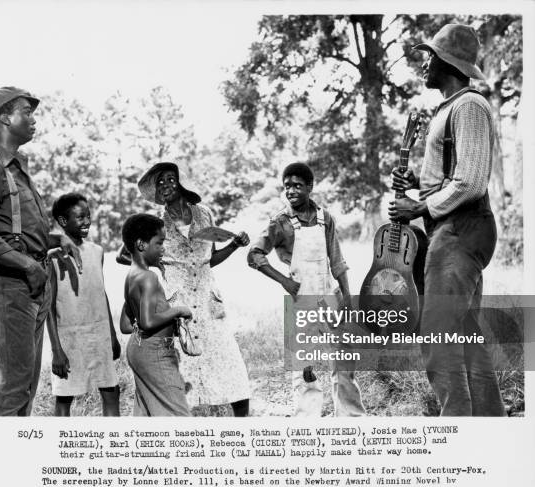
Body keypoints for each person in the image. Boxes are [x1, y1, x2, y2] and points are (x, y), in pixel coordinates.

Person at [389, 24, 505, 416]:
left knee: (437, 336)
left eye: (430, 56)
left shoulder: (469, 105)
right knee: (465, 338)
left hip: (461, 231)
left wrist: (420, 208)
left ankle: (456, 430)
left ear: (448, 62)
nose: (424, 64)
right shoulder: (450, 108)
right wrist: (415, 186)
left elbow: (470, 182)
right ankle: (490, 429)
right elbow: (450, 177)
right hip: (450, 230)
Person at [0, 86, 81, 416]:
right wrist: (28, 266)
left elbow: (18, 229)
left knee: (25, 387)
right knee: (13, 389)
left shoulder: (15, 166)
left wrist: (58, 240)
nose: (34, 119)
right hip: (11, 287)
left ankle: (10, 462)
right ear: (5, 117)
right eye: (26, 112)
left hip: (30, 285)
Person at [134, 162, 252, 416]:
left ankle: (243, 422)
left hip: (208, 298)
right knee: (184, 362)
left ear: (182, 183)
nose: (164, 185)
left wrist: (235, 245)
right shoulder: (155, 223)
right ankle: (185, 418)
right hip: (179, 301)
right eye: (159, 182)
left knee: (228, 358)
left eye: (169, 179)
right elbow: (130, 254)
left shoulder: (204, 214)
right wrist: (159, 267)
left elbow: (210, 258)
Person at [248, 162, 366, 417]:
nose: (290, 190)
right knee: (305, 367)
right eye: (287, 186)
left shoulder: (325, 219)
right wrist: (284, 281)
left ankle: (352, 419)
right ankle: (307, 423)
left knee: (344, 361)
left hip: (330, 297)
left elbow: (337, 261)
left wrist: (347, 297)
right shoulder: (280, 223)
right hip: (302, 301)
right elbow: (254, 255)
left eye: (297, 186)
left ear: (310, 188)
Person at [46, 193, 121, 416]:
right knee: (64, 397)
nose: (87, 221)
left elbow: (101, 293)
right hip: (69, 338)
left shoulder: (97, 252)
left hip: (99, 334)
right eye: (80, 217)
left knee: (111, 390)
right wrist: (56, 350)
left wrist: (113, 335)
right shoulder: (53, 257)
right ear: (62, 222)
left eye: (88, 215)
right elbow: (48, 307)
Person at [122, 213, 193, 416]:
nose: (163, 249)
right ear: (142, 245)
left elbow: (126, 325)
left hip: (138, 350)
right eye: (159, 243)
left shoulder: (131, 276)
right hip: (155, 353)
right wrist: (177, 311)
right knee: (177, 415)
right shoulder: (149, 277)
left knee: (148, 413)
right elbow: (146, 321)